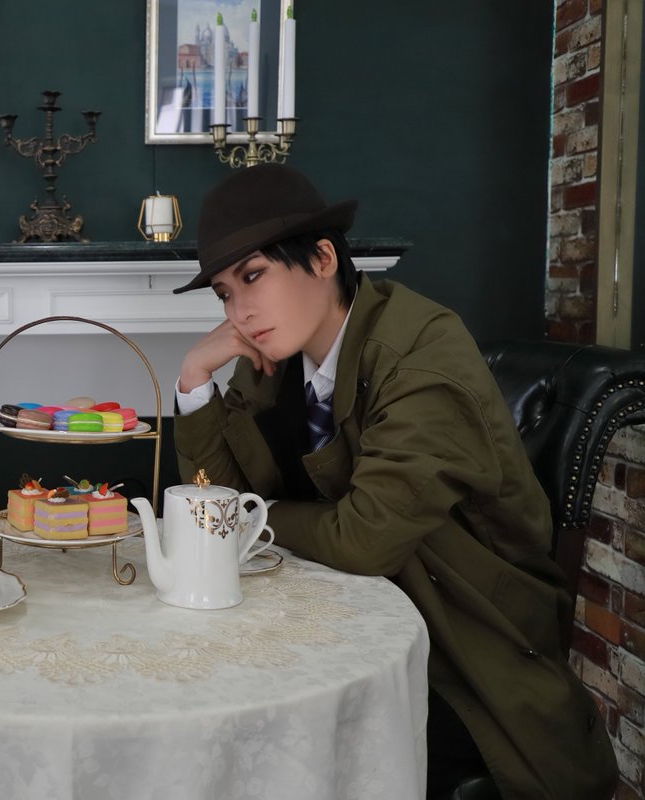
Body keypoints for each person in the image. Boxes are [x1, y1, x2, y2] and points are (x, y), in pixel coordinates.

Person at [172, 163, 617, 799]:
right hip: (347, 624)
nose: (239, 312)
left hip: (465, 653)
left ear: (322, 258)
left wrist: (252, 514)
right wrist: (194, 380)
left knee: (267, 746)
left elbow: (362, 541)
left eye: (253, 276)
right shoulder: (275, 355)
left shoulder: (421, 355)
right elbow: (212, 507)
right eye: (223, 293)